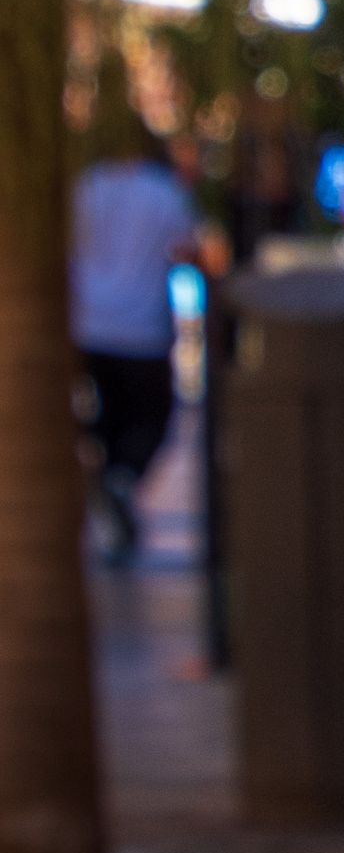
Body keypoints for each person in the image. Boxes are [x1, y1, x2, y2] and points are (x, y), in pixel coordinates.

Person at [70, 119, 199, 561]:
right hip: (142, 330)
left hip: (88, 325)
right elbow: (189, 249)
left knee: (105, 418)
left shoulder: (85, 187)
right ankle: (120, 478)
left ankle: (113, 479)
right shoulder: (164, 192)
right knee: (152, 415)